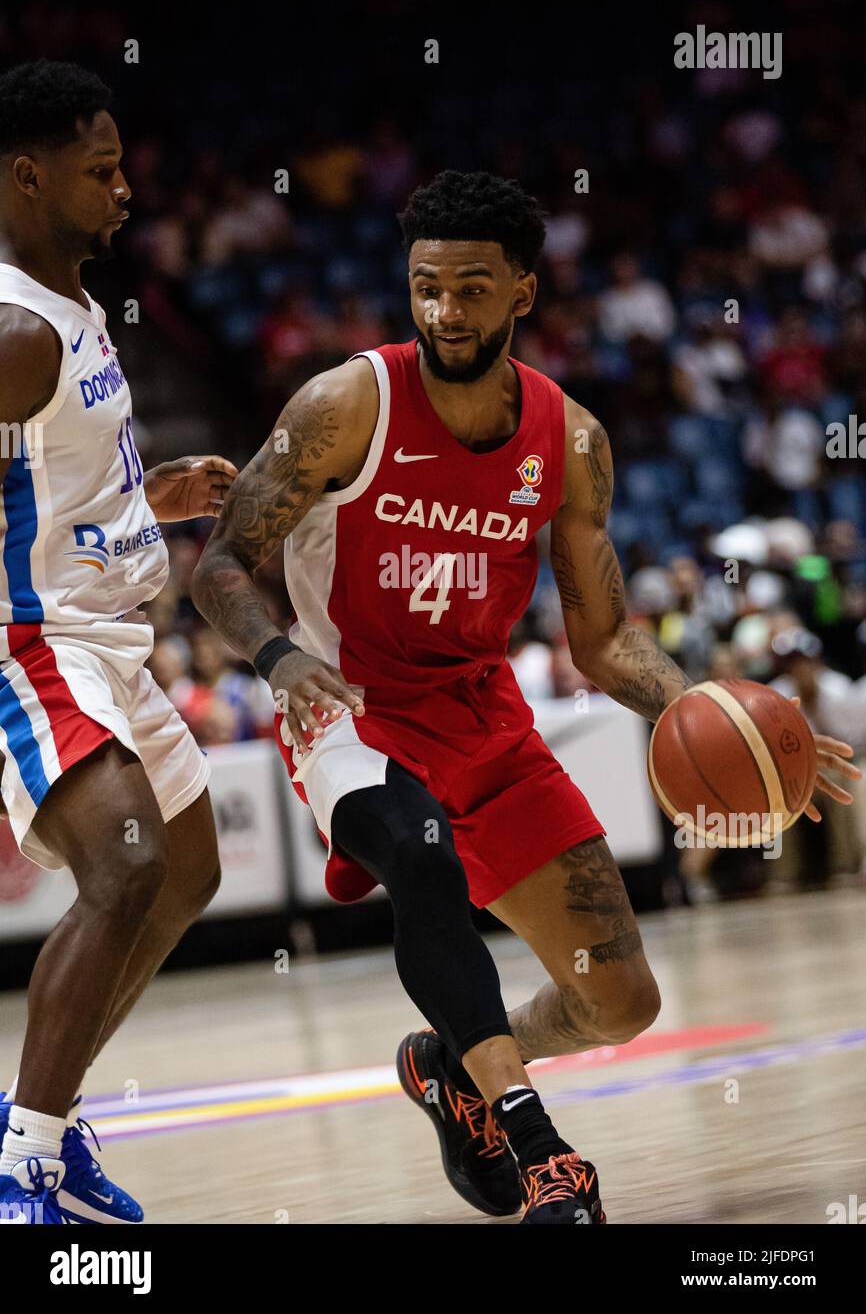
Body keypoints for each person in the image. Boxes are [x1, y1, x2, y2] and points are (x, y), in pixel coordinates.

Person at [191, 170, 859, 1225]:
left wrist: (719, 714)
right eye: (424, 287)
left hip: (482, 711)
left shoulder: (570, 439)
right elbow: (221, 562)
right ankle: (539, 1145)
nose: (443, 311)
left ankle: (452, 1067)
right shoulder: (342, 405)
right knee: (416, 855)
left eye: (468, 288)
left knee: (617, 999)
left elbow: (600, 641)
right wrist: (279, 659)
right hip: (347, 705)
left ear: (522, 294)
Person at [0, 60, 237, 1223]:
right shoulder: (12, 330)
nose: (126, 189)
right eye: (100, 171)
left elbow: (56, 484)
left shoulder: (73, 310)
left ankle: (41, 1117)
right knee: (130, 862)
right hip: (32, 644)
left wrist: (160, 501)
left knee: (188, 868)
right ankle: (21, 1170)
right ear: (27, 177)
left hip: (109, 636)